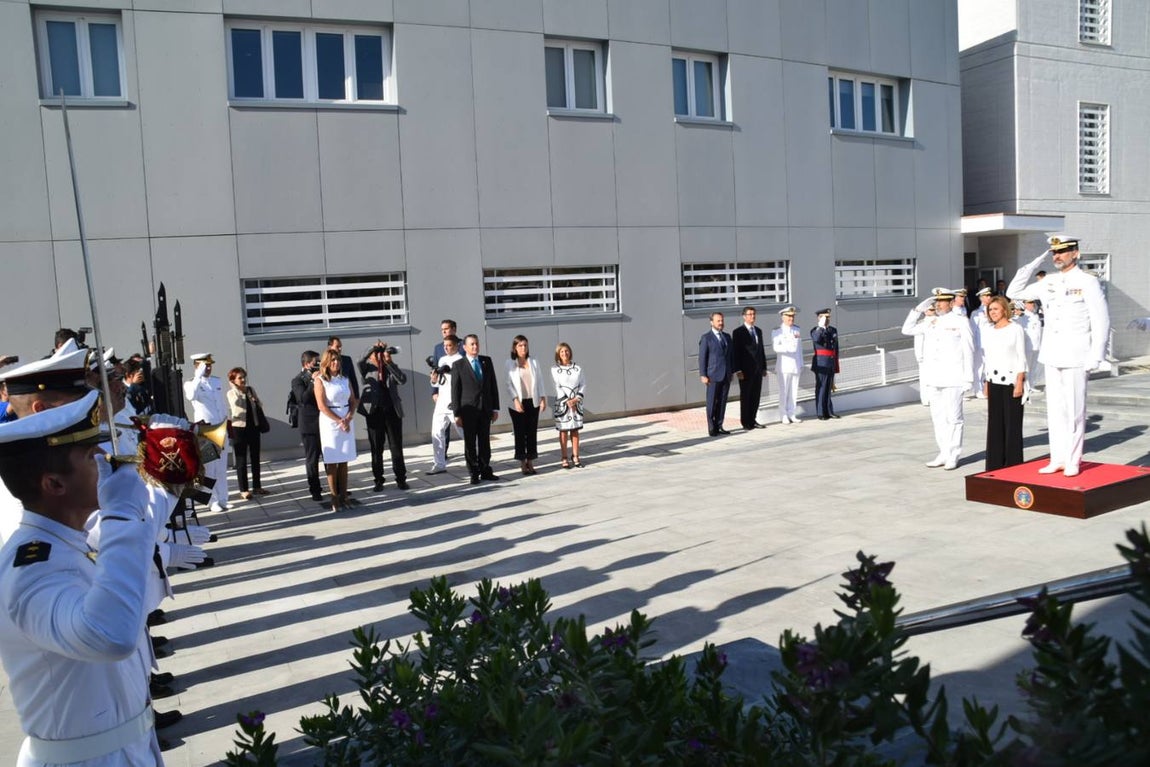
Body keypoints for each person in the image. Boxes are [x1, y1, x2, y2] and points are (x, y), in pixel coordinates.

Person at [0, 391, 167, 765]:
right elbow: (109, 636)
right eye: (93, 458)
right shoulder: (31, 568)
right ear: (54, 484)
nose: (109, 464)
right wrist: (121, 515)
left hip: (126, 747)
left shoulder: (68, 541)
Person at [1007, 234, 1110, 477]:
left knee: (1074, 410)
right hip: (1052, 353)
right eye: (1054, 252)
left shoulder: (1087, 282)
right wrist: (1034, 263)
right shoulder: (1048, 282)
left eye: (1062, 251)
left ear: (1075, 253)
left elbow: (1101, 320)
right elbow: (1014, 291)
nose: (1057, 256)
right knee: (1055, 411)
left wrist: (1096, 354)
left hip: (1077, 354)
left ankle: (1073, 460)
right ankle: (1057, 458)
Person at [901, 288, 975, 470]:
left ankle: (954, 454)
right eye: (936, 301)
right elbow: (907, 329)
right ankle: (943, 452)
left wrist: (969, 378)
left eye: (942, 301)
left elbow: (969, 350)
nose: (938, 304)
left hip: (954, 377)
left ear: (950, 302)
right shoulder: (931, 322)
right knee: (938, 418)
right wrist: (919, 309)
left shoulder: (961, 321)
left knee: (954, 418)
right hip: (934, 377)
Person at [979, 296, 1028, 471]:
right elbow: (988, 358)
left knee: (1012, 424)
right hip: (993, 381)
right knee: (995, 424)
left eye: (996, 309)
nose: (992, 312)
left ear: (1004, 310)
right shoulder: (988, 330)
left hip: (1011, 382)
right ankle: (994, 465)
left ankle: (1013, 465)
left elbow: (1021, 356)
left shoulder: (1015, 329)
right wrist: (986, 381)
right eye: (990, 309)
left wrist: (1020, 381)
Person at [358, 342, 408, 492]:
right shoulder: (366, 367)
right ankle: (378, 480)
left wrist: (388, 362)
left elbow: (402, 380)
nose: (378, 356)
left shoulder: (390, 366)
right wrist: (373, 348)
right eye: (376, 354)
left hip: (392, 410)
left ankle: (401, 479)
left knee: (396, 446)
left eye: (380, 353)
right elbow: (359, 360)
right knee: (376, 447)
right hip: (374, 412)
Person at [450, 334, 500, 484]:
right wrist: (457, 413)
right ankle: (473, 472)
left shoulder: (486, 361)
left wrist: (495, 408)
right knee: (470, 443)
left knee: (485, 441)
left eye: (476, 344)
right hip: (468, 410)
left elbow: (493, 385)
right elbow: (455, 391)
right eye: (471, 344)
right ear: (464, 347)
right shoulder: (458, 365)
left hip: (485, 409)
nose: (475, 347)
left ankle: (485, 469)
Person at [183, 352, 229, 511]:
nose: (208, 368)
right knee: (210, 467)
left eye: (210, 365)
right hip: (206, 429)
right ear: (197, 366)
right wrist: (197, 376)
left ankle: (223, 498)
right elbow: (191, 396)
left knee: (222, 466)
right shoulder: (191, 384)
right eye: (205, 365)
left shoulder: (217, 381)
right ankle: (212, 500)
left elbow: (221, 403)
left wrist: (226, 420)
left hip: (220, 427)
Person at [314, 349, 359, 511]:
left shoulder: (344, 379)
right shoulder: (321, 380)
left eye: (338, 360)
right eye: (332, 360)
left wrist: (348, 417)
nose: (336, 363)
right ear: (326, 362)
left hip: (346, 418)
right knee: (332, 461)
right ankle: (334, 497)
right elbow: (322, 406)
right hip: (330, 422)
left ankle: (344, 495)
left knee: (344, 461)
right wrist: (339, 420)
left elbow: (353, 400)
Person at [225, 367, 269, 500]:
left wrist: (254, 399)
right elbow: (236, 406)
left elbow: (259, 404)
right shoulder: (231, 393)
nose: (243, 380)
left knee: (255, 458)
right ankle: (243, 489)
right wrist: (238, 390)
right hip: (239, 428)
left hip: (253, 427)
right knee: (241, 460)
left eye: (244, 377)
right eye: (239, 378)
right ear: (233, 380)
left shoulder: (250, 389)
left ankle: (257, 486)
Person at [505, 335, 547, 475]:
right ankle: (522, 462)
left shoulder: (534, 362)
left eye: (525, 345)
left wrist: (543, 398)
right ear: (515, 348)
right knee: (520, 433)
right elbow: (508, 384)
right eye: (520, 346)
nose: (523, 348)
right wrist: (515, 400)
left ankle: (531, 460)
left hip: (532, 401)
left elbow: (540, 380)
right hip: (518, 403)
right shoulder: (510, 363)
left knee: (531, 432)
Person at [291, 351, 325, 503]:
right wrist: (312, 381)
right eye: (315, 362)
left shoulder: (323, 376)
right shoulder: (298, 380)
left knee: (330, 456)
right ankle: (315, 490)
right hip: (309, 424)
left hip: (324, 422)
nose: (318, 365)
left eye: (319, 362)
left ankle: (336, 485)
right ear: (306, 364)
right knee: (312, 458)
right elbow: (303, 399)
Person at [427, 335, 463, 475]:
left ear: (456, 346)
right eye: (445, 346)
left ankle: (477, 458)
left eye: (449, 345)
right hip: (442, 402)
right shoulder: (442, 359)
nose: (446, 348)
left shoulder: (461, 360)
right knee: (436, 432)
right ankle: (439, 463)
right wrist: (434, 379)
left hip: (455, 402)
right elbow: (438, 382)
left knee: (464, 432)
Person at [730, 307, 766, 430]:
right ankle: (745, 422)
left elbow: (761, 350)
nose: (752, 316)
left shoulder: (758, 331)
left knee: (756, 396)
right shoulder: (738, 332)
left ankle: (753, 419)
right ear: (744, 316)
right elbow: (736, 352)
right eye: (750, 314)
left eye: (754, 314)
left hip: (757, 369)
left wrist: (764, 367)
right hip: (745, 370)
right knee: (746, 396)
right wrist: (737, 369)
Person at [698, 312, 732, 437]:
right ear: (711, 322)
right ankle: (711, 427)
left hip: (726, 375)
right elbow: (702, 358)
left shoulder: (727, 337)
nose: (721, 323)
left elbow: (730, 356)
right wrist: (703, 374)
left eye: (722, 320)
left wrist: (731, 371)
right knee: (712, 402)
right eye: (718, 321)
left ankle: (719, 425)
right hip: (712, 375)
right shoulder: (706, 338)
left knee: (722, 401)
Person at [551, 342, 585, 468]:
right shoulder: (555, 370)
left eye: (566, 351)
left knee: (575, 430)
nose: (564, 353)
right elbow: (558, 386)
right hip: (562, 404)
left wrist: (576, 399)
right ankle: (564, 456)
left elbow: (583, 384)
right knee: (563, 431)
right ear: (558, 354)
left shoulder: (578, 369)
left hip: (576, 404)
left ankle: (576, 455)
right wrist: (568, 401)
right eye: (562, 352)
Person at [771, 306, 804, 424]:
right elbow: (775, 347)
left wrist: (801, 363)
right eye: (789, 316)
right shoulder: (777, 331)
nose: (791, 318)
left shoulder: (797, 330)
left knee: (794, 391)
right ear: (783, 317)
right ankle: (783, 414)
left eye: (793, 316)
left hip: (795, 365)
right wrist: (788, 349)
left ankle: (792, 413)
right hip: (784, 366)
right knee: (784, 391)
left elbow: (799, 349)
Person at [810, 308, 840, 420]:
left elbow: (836, 348)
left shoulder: (833, 330)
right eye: (824, 317)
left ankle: (829, 411)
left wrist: (836, 363)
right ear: (819, 318)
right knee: (821, 388)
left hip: (830, 362)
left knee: (828, 388)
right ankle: (821, 412)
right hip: (821, 363)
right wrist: (821, 327)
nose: (827, 319)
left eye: (828, 317)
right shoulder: (815, 330)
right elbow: (817, 339)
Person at [327, 336, 359, 402]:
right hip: (332, 398)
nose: (340, 349)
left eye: (340, 346)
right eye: (337, 346)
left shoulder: (347, 360)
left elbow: (353, 379)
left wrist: (356, 397)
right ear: (330, 347)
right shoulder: (325, 361)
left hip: (346, 395)